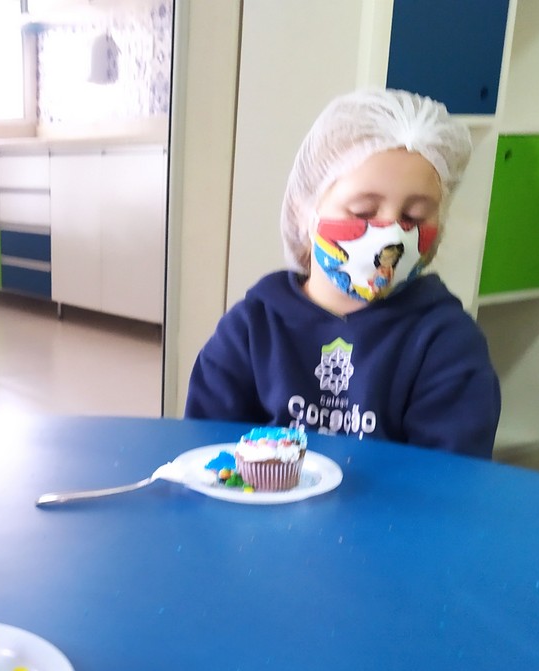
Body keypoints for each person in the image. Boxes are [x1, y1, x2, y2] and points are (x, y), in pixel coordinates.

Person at [185, 88, 501, 458]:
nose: (392, 233)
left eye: (413, 216)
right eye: (363, 211)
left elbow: (450, 477)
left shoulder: (447, 343)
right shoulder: (251, 330)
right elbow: (207, 453)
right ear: (304, 211)